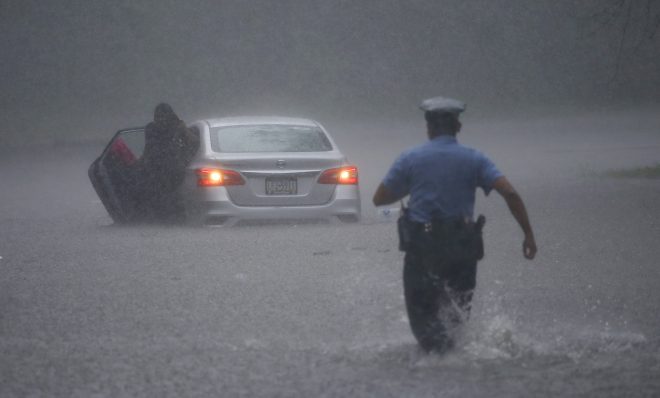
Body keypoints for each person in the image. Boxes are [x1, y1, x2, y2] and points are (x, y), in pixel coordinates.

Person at [372, 96, 537, 353]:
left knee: (424, 326)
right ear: (457, 127)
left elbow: (379, 198)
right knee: (457, 322)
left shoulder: (410, 158)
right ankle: (456, 368)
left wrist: (411, 186)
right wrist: (528, 235)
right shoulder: (475, 159)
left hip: (422, 250)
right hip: (462, 249)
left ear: (428, 128)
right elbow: (511, 194)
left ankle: (432, 373)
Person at [136, 103, 199, 222]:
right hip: (162, 169)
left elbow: (193, 142)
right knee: (166, 197)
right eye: (158, 116)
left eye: (161, 116)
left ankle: (168, 220)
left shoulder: (164, 127)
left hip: (165, 170)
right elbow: (193, 142)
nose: (160, 119)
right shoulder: (158, 128)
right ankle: (170, 219)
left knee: (166, 198)